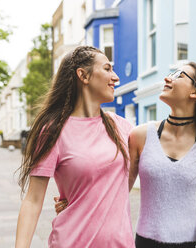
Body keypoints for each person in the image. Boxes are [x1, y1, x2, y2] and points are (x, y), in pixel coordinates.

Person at [56, 62, 196, 248]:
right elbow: (117, 188)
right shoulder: (140, 135)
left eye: (179, 75)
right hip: (144, 243)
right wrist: (77, 202)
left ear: (195, 92)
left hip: (190, 244)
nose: (167, 78)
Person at [15, 46, 135, 248]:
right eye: (107, 69)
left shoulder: (121, 126)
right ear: (83, 75)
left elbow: (164, 144)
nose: (115, 77)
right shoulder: (53, 131)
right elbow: (33, 200)